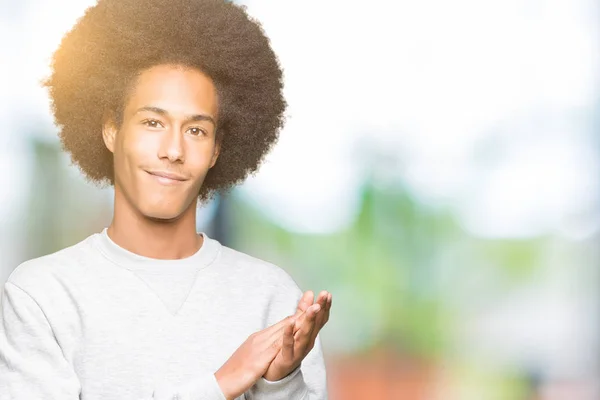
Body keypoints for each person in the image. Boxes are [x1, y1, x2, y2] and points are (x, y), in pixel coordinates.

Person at [0, 0, 332, 399]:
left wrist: (279, 380)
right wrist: (224, 382)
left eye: (196, 130)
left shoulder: (272, 296)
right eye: (153, 123)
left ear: (216, 150)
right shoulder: (42, 295)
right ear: (110, 130)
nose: (173, 150)